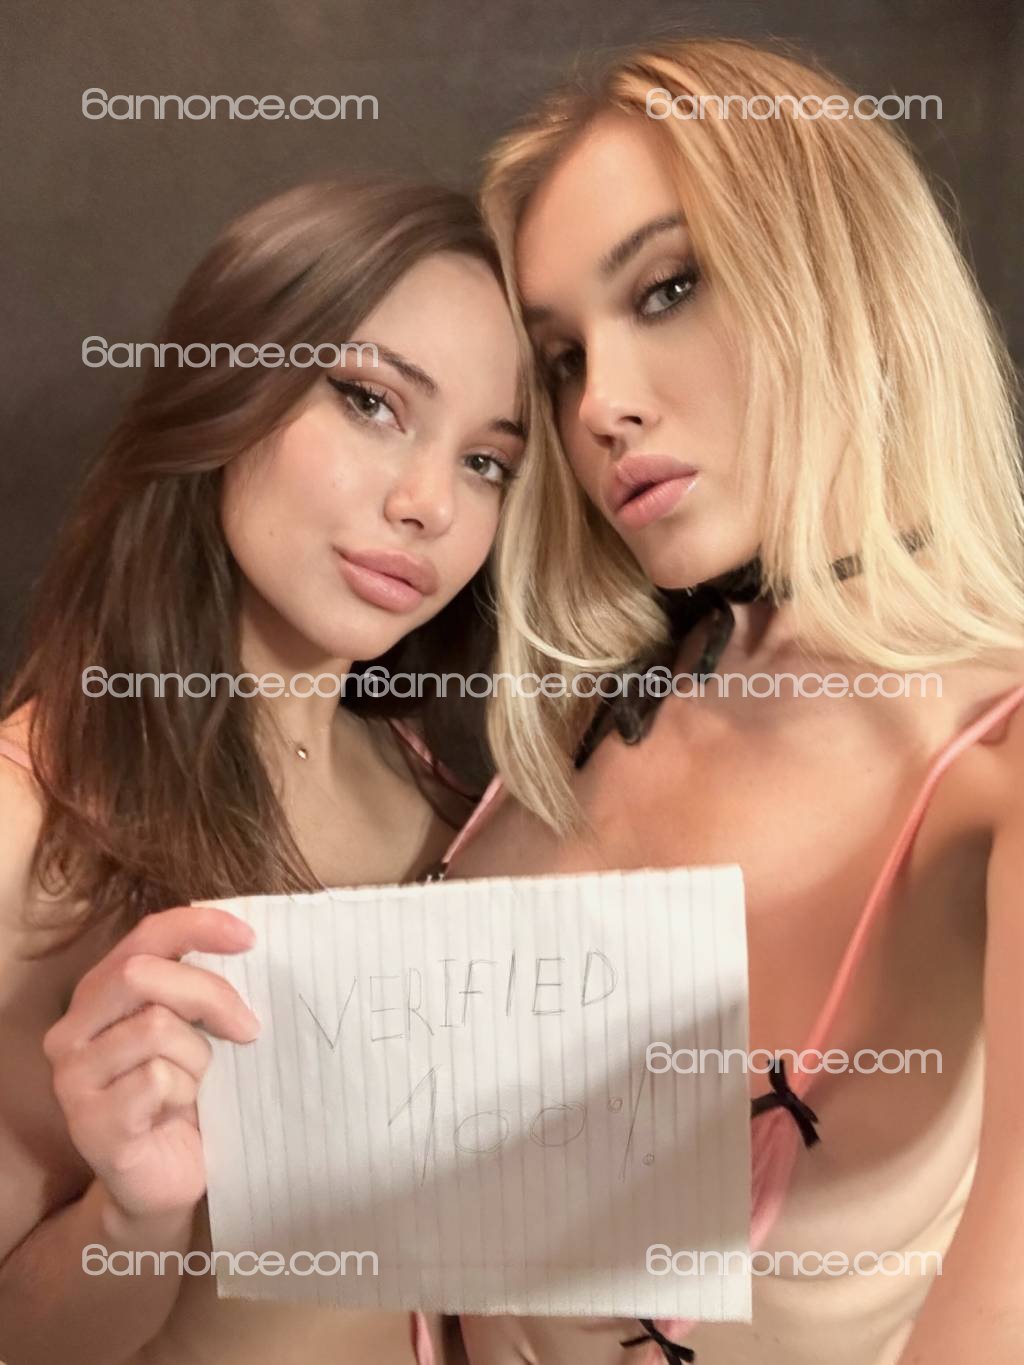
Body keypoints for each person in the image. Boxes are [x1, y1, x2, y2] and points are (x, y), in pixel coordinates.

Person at [440, 37, 1024, 1365]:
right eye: (561, 358)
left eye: (667, 288)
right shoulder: (575, 717)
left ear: (843, 274)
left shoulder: (996, 757)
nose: (601, 407)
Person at [0, 176, 525, 1365]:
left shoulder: (440, 797)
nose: (428, 505)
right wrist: (132, 1216)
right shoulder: (34, 823)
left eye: (488, 463)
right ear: (229, 384)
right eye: (371, 401)